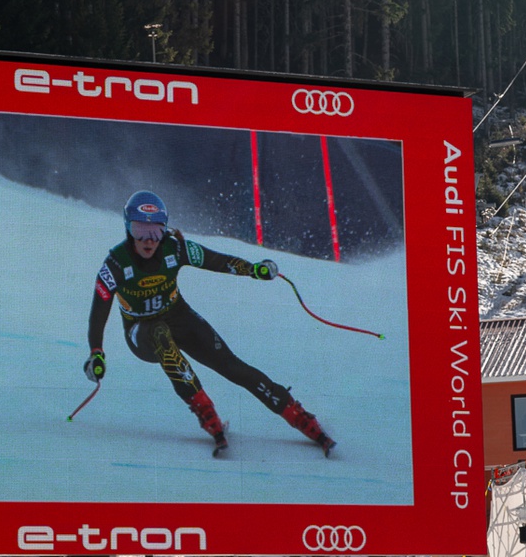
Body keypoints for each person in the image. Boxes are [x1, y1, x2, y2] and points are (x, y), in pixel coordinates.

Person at [83, 190, 336, 456]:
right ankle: (207, 413)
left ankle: (297, 414)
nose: (148, 240)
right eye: (140, 231)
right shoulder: (115, 263)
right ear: (127, 229)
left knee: (232, 366)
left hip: (177, 316)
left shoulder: (175, 247)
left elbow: (216, 260)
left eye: (156, 232)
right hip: (140, 331)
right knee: (159, 333)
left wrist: (252, 269)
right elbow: (99, 310)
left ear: (165, 230)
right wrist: (96, 352)